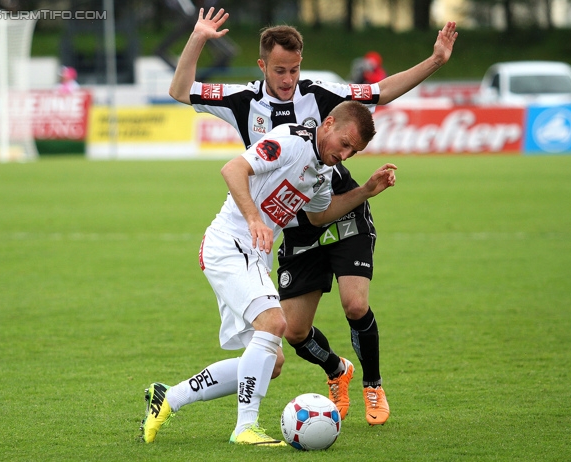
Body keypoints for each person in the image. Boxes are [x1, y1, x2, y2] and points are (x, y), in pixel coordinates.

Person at [167, 7, 458, 427]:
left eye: (295, 70)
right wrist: (197, 38)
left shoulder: (321, 94)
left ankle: (373, 386)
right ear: (263, 65)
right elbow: (180, 90)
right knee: (294, 332)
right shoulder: (242, 101)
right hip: (294, 223)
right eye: (281, 71)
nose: (289, 80)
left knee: (355, 304)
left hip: (339, 207)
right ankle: (338, 371)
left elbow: (380, 93)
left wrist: (435, 61)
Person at [140, 100, 397, 445]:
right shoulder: (291, 140)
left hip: (252, 256)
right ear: (329, 123)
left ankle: (170, 396)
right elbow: (233, 169)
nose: (346, 154)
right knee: (276, 324)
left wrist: (364, 191)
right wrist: (253, 219)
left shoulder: (323, 173)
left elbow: (320, 217)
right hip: (229, 245)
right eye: (345, 143)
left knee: (270, 363)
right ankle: (245, 427)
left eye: (355, 151)